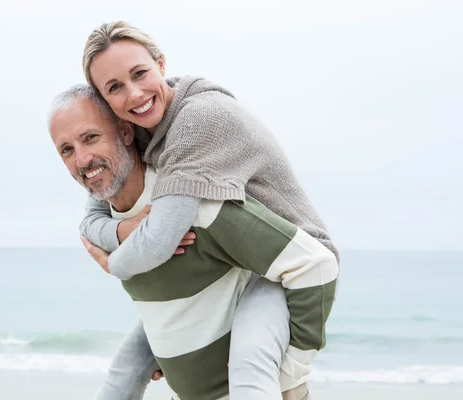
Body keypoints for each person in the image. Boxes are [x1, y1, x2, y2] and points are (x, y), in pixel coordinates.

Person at [79, 21, 341, 399]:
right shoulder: (138, 125)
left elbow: (156, 243)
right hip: (229, 263)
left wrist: (111, 263)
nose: (134, 94)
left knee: (254, 374)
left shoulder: (197, 120)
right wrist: (121, 232)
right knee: (125, 370)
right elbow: (91, 219)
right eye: (115, 87)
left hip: (284, 267)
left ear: (161, 65)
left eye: (140, 73)